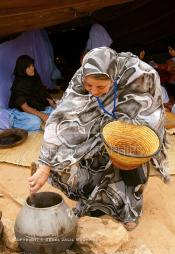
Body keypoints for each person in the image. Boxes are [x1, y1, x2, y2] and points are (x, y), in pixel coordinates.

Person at [28, 47, 168, 230]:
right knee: (87, 155)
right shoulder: (83, 75)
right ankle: (93, 203)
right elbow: (61, 117)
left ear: (113, 75)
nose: (93, 91)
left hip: (133, 130)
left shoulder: (142, 75)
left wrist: (129, 132)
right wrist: (45, 165)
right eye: (89, 86)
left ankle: (129, 211)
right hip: (96, 127)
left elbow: (153, 111)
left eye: (100, 87)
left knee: (131, 167)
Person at [8, 55, 56, 131]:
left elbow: (42, 91)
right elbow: (24, 107)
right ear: (22, 69)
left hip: (35, 106)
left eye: (32, 65)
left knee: (56, 113)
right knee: (35, 122)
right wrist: (42, 115)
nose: (32, 68)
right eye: (28, 67)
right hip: (23, 111)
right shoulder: (18, 84)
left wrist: (52, 103)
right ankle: (17, 123)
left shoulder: (35, 76)